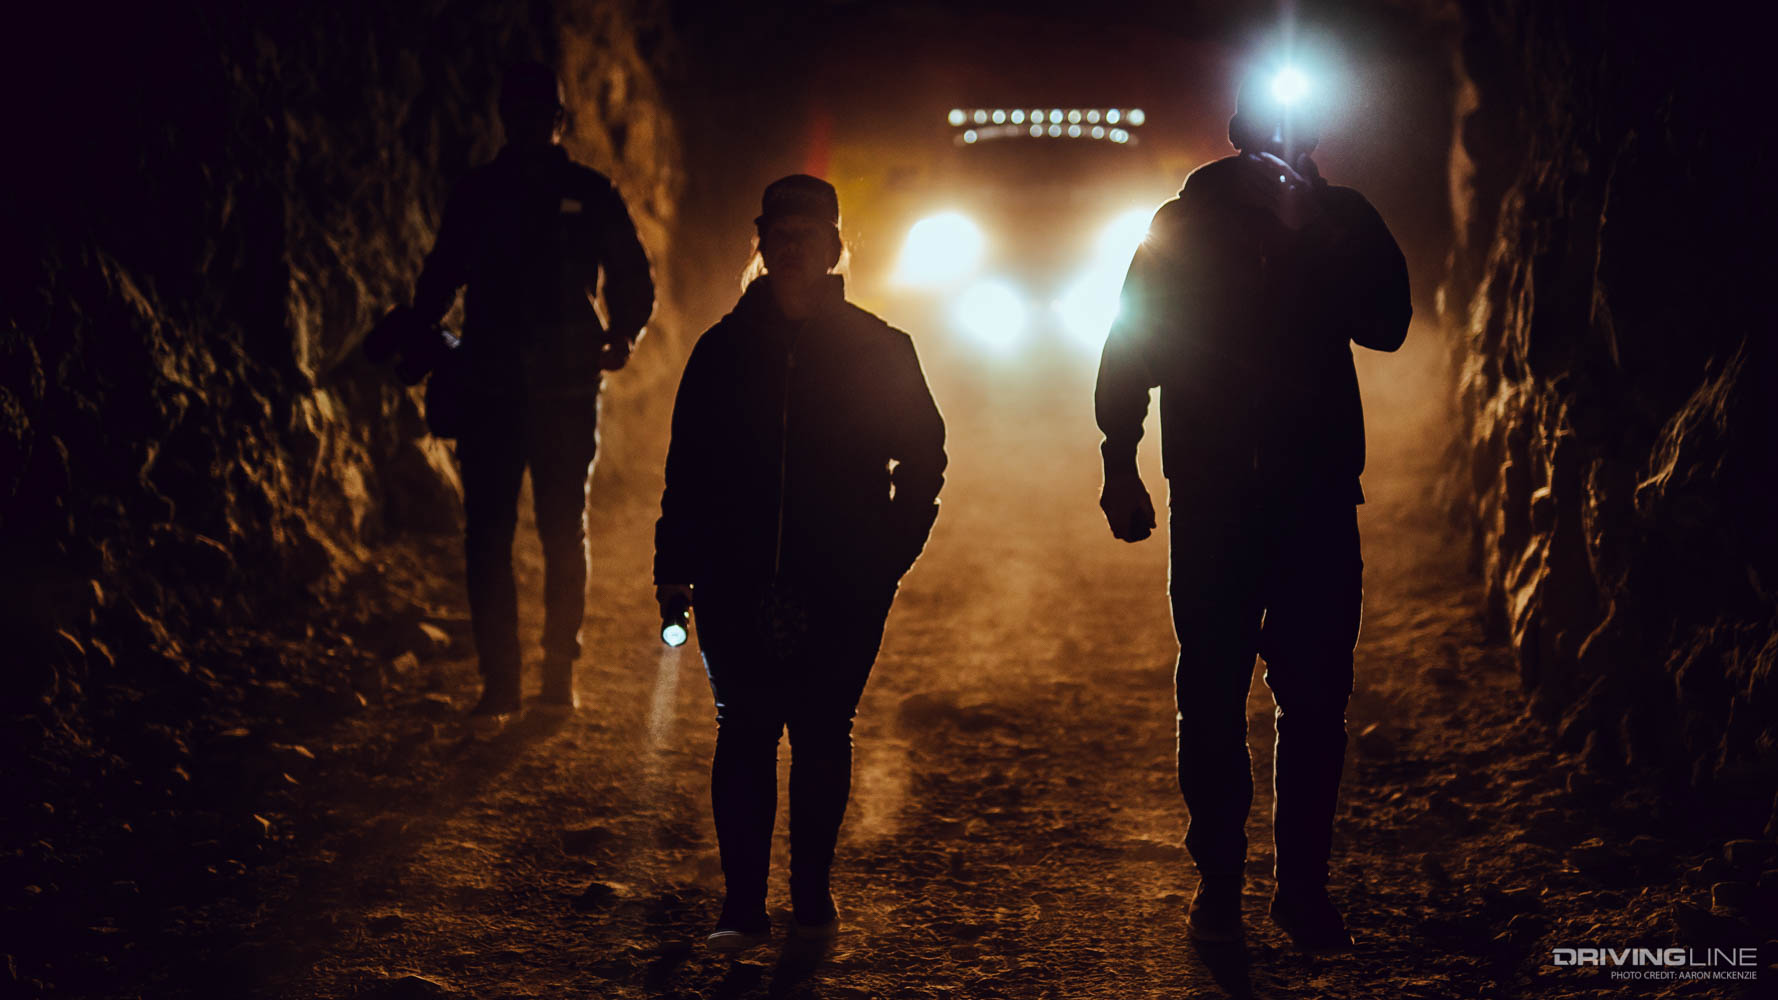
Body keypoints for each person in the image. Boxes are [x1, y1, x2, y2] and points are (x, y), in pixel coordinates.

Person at [1094, 65, 1411, 949]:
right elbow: (1133, 341)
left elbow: (1387, 323)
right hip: (1217, 498)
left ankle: (1300, 890)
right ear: (1241, 134)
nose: (1285, 146)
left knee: (1315, 700)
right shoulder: (1185, 223)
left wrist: (1318, 236)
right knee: (1213, 690)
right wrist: (1119, 457)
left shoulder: (1343, 219)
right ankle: (1221, 885)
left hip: (1313, 497)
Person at [653, 175, 946, 950]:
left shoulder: (882, 348)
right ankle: (743, 910)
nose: (791, 248)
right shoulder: (720, 351)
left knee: (820, 730)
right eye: (779, 235)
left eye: (807, 235)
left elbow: (923, 457)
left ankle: (811, 901)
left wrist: (888, 554)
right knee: (744, 729)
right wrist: (673, 565)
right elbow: (688, 467)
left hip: (842, 578)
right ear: (762, 244)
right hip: (734, 576)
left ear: (834, 247)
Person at [407, 60, 655, 724]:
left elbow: (632, 275)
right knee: (495, 535)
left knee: (552, 532)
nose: (526, 126)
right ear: (508, 119)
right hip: (502, 385)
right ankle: (505, 682)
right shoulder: (488, 195)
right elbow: (440, 276)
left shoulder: (580, 193)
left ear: (557, 121)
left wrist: (626, 331)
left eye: (537, 115)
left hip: (561, 388)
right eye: (518, 115)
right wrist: (420, 330)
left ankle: (549, 677)